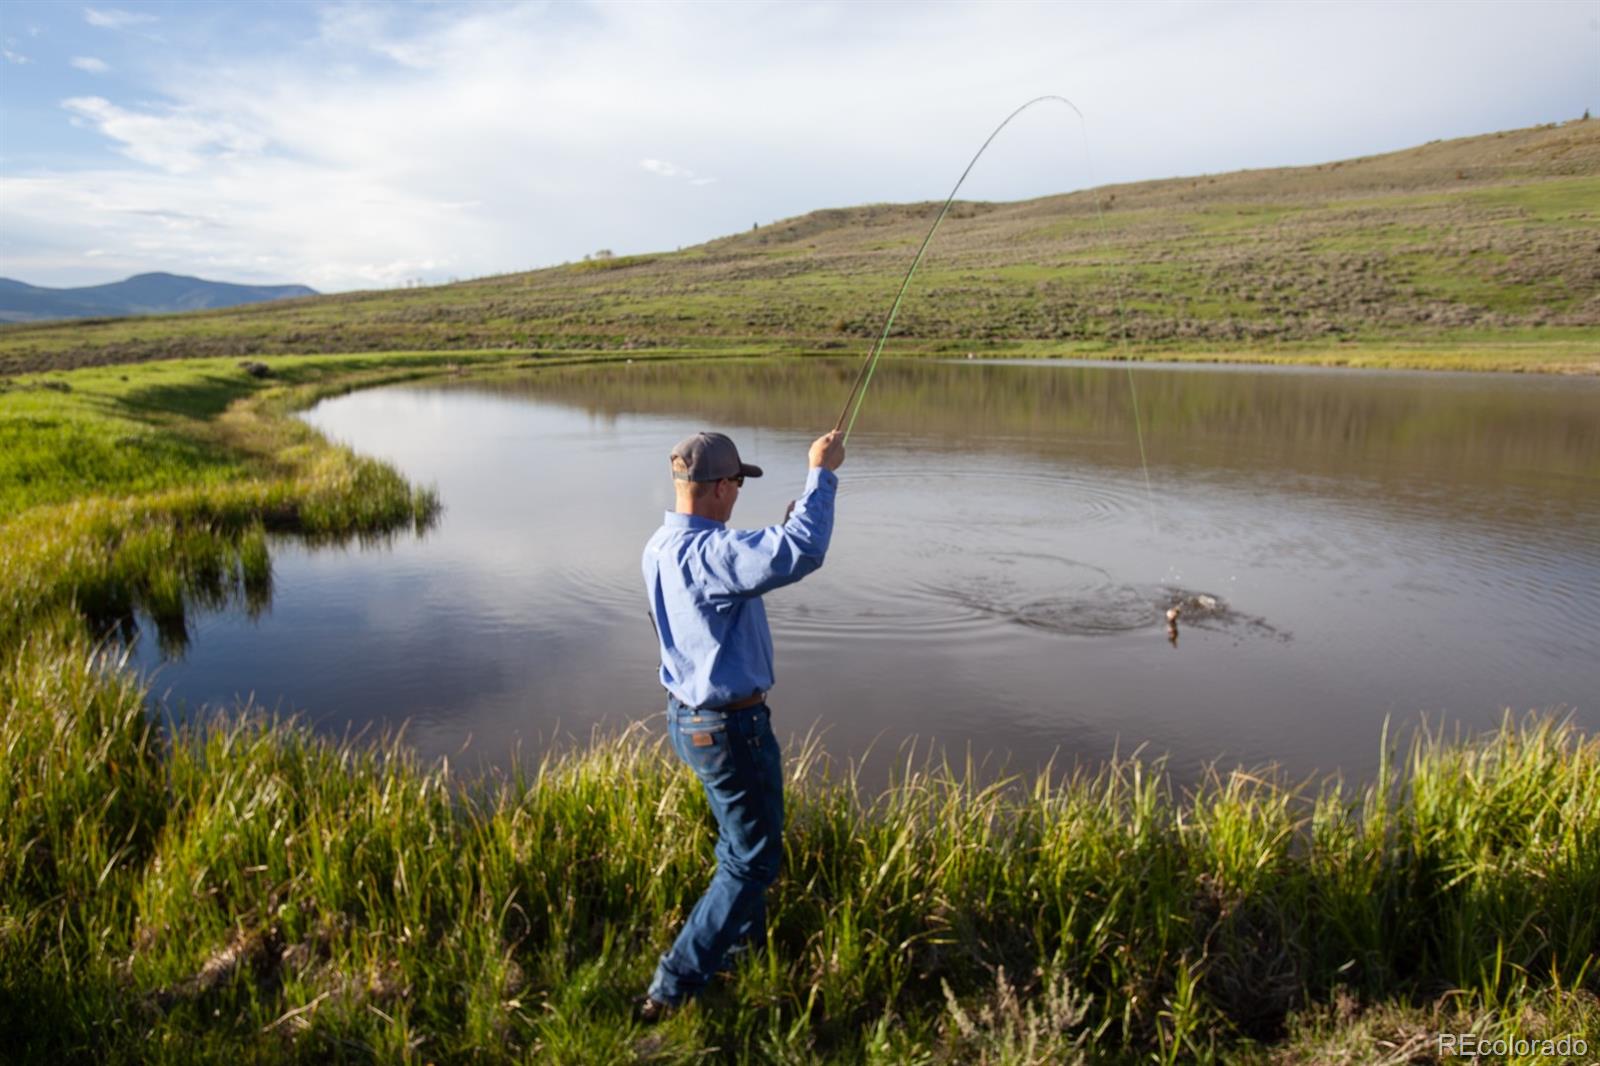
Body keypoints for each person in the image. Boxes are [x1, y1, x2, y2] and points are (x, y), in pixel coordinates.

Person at [636, 428, 846, 1021]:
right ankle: (671, 987)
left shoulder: (660, 546)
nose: (737, 495)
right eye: (736, 484)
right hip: (730, 730)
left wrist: (787, 525)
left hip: (689, 721)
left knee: (739, 846)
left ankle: (737, 953)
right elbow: (802, 550)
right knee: (751, 859)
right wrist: (821, 473)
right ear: (720, 487)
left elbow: (757, 559)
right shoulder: (713, 554)